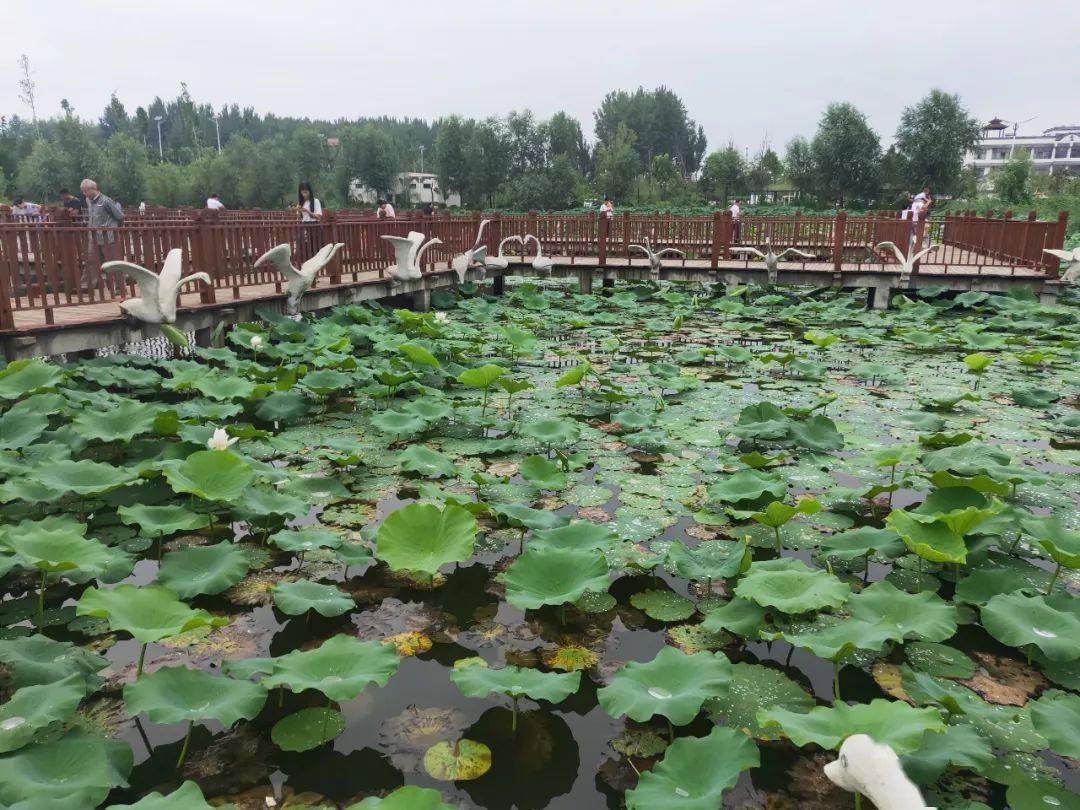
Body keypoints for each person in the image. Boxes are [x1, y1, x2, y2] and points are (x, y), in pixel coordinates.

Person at [80, 178, 124, 293]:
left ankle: (119, 287)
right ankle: (86, 286)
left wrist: (113, 230)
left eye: (86, 191)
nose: (84, 193)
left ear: (93, 189)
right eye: (83, 191)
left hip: (108, 237)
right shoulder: (88, 200)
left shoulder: (106, 201)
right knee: (91, 261)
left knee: (113, 263)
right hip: (93, 237)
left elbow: (119, 216)